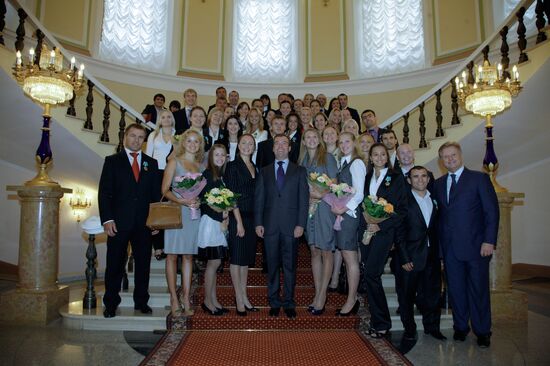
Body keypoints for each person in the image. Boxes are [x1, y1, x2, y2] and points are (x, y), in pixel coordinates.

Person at [433, 141, 499, 348]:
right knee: (456, 290)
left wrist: (489, 241)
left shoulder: (479, 179)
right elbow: (440, 218)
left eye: (453, 155)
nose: (450, 159)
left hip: (477, 247)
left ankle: (482, 331)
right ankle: (461, 327)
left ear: (460, 155)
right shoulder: (438, 184)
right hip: (450, 249)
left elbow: (491, 212)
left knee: (478, 290)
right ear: (441, 160)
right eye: (445, 156)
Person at [98, 123, 160, 318]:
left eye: (140, 137)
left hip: (144, 224)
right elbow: (104, 193)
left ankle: (141, 302)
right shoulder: (112, 161)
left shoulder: (152, 163)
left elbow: (155, 196)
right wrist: (107, 219)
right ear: (125, 137)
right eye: (133, 136)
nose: (136, 140)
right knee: (115, 264)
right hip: (118, 223)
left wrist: (155, 221)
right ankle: (110, 303)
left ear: (144, 140)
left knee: (143, 265)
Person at [255, 134, 309, 319]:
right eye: (277, 143)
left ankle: (289, 302)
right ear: (272, 148)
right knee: (272, 266)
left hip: (291, 227)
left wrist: (301, 224)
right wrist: (258, 223)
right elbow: (259, 199)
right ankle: (274, 302)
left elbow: (304, 200)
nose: (280, 146)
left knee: (290, 267)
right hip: (269, 226)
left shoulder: (300, 171)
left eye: (284, 143)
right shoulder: (264, 171)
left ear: (289, 147)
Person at [361, 143, 407, 338]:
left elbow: (402, 210)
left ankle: (382, 323)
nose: (379, 157)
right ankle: (377, 320)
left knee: (371, 274)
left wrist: (380, 225)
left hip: (384, 232)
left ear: (387, 157)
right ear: (370, 158)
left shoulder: (396, 178)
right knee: (370, 275)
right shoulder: (367, 177)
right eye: (375, 155)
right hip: (367, 232)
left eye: (383, 155)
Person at [396, 165, 446, 341]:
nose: (420, 179)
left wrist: (440, 255)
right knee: (407, 296)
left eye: (424, 176)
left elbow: (437, 229)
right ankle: (409, 329)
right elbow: (399, 232)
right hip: (410, 258)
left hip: (431, 256)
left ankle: (432, 327)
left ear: (428, 178)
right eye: (415, 176)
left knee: (432, 295)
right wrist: (404, 257)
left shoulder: (435, 199)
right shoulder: (403, 201)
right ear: (409, 180)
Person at [162, 129, 204, 317]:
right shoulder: (174, 162)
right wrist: (182, 201)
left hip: (193, 214)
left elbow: (200, 191)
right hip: (177, 212)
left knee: (188, 257)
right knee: (171, 256)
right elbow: (165, 190)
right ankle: (173, 297)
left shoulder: (200, 166)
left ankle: (186, 297)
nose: (193, 144)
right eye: (190, 141)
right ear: (184, 142)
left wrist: (197, 201)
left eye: (197, 142)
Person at [299, 129, 338, 315]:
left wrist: (318, 194)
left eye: (315, 136)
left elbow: (334, 184)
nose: (312, 140)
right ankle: (317, 292)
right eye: (308, 137)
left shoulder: (328, 158)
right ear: (304, 141)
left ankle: (322, 296)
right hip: (309, 210)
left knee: (326, 251)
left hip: (324, 208)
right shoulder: (302, 161)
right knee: (314, 251)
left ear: (319, 140)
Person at [224, 134, 259, 316]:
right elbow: (231, 195)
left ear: (254, 147)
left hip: (252, 219)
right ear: (238, 146)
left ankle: (244, 296)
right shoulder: (232, 166)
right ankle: (238, 298)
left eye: (250, 144)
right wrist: (238, 222)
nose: (247, 146)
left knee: (245, 261)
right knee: (237, 259)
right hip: (238, 218)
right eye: (244, 143)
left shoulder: (255, 167)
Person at [332, 132, 365, 316]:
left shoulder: (357, 163)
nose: (344, 144)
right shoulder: (342, 162)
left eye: (347, 141)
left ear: (354, 143)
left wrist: (342, 209)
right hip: (342, 214)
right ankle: (351, 298)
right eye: (341, 142)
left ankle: (352, 300)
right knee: (346, 256)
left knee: (350, 258)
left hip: (349, 215)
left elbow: (359, 194)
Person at [197, 144, 230, 316]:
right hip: (210, 223)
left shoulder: (220, 175)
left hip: (218, 223)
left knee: (216, 264)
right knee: (213, 264)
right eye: (216, 155)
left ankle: (214, 300)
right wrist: (221, 216)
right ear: (211, 157)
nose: (219, 158)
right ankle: (207, 302)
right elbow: (205, 201)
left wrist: (226, 215)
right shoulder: (208, 174)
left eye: (222, 155)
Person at [145, 110, 175, 261]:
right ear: (159, 120)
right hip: (155, 174)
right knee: (158, 208)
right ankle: (158, 247)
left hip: (172, 173)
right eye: (163, 117)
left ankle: (169, 245)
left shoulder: (178, 135)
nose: (166, 119)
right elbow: (148, 156)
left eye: (169, 116)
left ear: (173, 119)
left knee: (169, 208)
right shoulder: (153, 135)